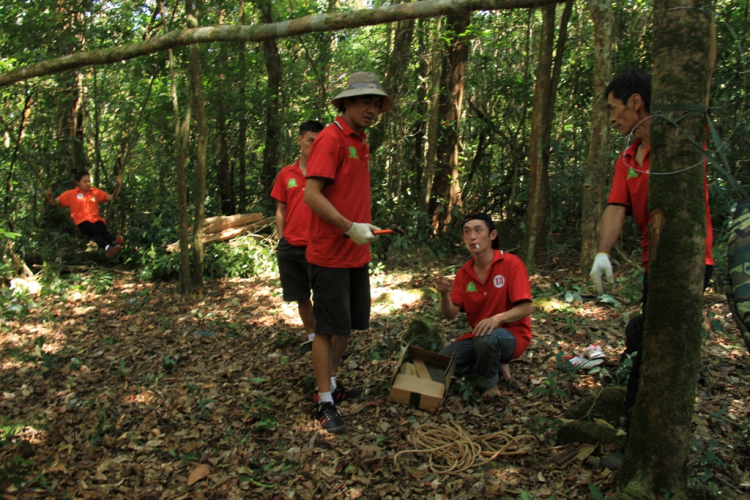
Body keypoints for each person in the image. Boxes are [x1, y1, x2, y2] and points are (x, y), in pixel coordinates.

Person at [588, 69, 714, 431]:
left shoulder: (681, 139)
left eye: (614, 108)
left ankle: (636, 428)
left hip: (690, 260)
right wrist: (602, 253)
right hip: (653, 262)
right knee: (645, 336)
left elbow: (702, 77)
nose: (612, 118)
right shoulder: (626, 158)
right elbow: (616, 207)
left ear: (636, 102)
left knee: (652, 344)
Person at [303, 72, 393, 434]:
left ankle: (333, 385)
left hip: (356, 252)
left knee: (347, 326)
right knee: (326, 329)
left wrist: (362, 226)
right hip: (330, 254)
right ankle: (323, 402)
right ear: (346, 103)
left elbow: (347, 193)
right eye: (365, 102)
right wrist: (347, 226)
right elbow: (311, 193)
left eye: (376, 103)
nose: (372, 109)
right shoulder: (331, 138)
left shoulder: (360, 140)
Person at [437, 212, 534, 399]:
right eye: (467, 232)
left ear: (492, 235)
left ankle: (490, 383)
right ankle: (493, 363)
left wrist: (497, 318)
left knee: (488, 337)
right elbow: (450, 314)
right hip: (479, 337)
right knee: (442, 362)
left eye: (478, 230)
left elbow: (527, 307)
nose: (472, 237)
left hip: (513, 336)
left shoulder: (511, 263)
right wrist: (444, 294)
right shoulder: (463, 273)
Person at [270, 120, 325, 354]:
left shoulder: (325, 173)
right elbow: (280, 209)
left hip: (318, 245)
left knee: (323, 294)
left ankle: (326, 340)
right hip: (290, 246)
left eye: (319, 141)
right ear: (300, 140)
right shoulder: (286, 174)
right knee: (301, 296)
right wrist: (282, 239)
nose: (314, 145)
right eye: (311, 140)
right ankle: (312, 338)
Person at [45, 170, 124, 259]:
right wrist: (49, 196)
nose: (88, 183)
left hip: (96, 219)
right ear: (77, 182)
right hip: (81, 221)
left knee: (102, 229)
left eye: (89, 181)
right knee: (95, 231)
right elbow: (54, 202)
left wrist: (119, 185)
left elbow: (112, 197)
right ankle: (108, 248)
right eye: (84, 182)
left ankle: (114, 242)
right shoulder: (70, 194)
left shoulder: (95, 192)